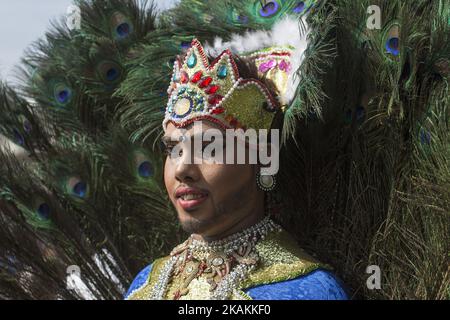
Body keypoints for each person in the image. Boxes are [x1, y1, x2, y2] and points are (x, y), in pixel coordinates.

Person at [125, 38, 348, 300]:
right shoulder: (145, 283)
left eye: (209, 148)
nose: (182, 168)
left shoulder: (309, 290)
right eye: (172, 149)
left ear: (264, 157)